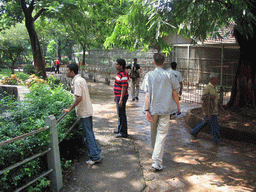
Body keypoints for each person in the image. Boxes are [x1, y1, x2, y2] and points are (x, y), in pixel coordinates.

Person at [141, 53, 181, 171]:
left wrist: (147, 110)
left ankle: (156, 157)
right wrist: (179, 107)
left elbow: (147, 94)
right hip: (165, 110)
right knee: (161, 135)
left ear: (154, 62)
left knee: (154, 134)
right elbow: (175, 94)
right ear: (163, 62)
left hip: (153, 110)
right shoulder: (169, 75)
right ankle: (156, 161)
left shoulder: (149, 75)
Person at [62, 63, 102, 165]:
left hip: (84, 112)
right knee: (89, 133)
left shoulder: (77, 82)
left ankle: (95, 156)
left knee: (87, 135)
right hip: (86, 110)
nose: (66, 72)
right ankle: (96, 152)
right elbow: (80, 97)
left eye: (67, 70)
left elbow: (79, 97)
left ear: (72, 71)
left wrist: (70, 109)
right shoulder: (81, 79)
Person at [190, 72, 222, 144]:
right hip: (210, 110)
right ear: (213, 79)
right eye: (217, 79)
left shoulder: (214, 87)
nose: (218, 80)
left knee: (205, 122)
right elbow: (203, 98)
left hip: (213, 109)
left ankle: (194, 131)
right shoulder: (208, 87)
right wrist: (210, 97)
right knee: (215, 126)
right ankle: (217, 140)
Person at [113, 59, 129, 138]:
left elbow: (124, 87)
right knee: (119, 114)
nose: (115, 65)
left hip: (121, 97)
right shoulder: (119, 73)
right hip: (118, 96)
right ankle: (119, 129)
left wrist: (121, 99)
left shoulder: (124, 74)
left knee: (122, 114)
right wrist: (115, 96)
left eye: (116, 64)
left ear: (121, 66)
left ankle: (123, 132)